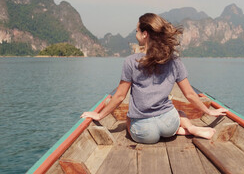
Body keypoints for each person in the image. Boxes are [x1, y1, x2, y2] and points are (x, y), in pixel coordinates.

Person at [80, 13, 227, 144]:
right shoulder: (175, 61)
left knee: (128, 118)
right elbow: (190, 94)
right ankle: (189, 128)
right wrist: (209, 112)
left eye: (137, 31)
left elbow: (119, 97)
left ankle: (184, 130)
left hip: (144, 132)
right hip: (169, 125)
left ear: (145, 34)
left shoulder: (131, 61)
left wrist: (99, 115)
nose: (135, 33)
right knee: (180, 113)